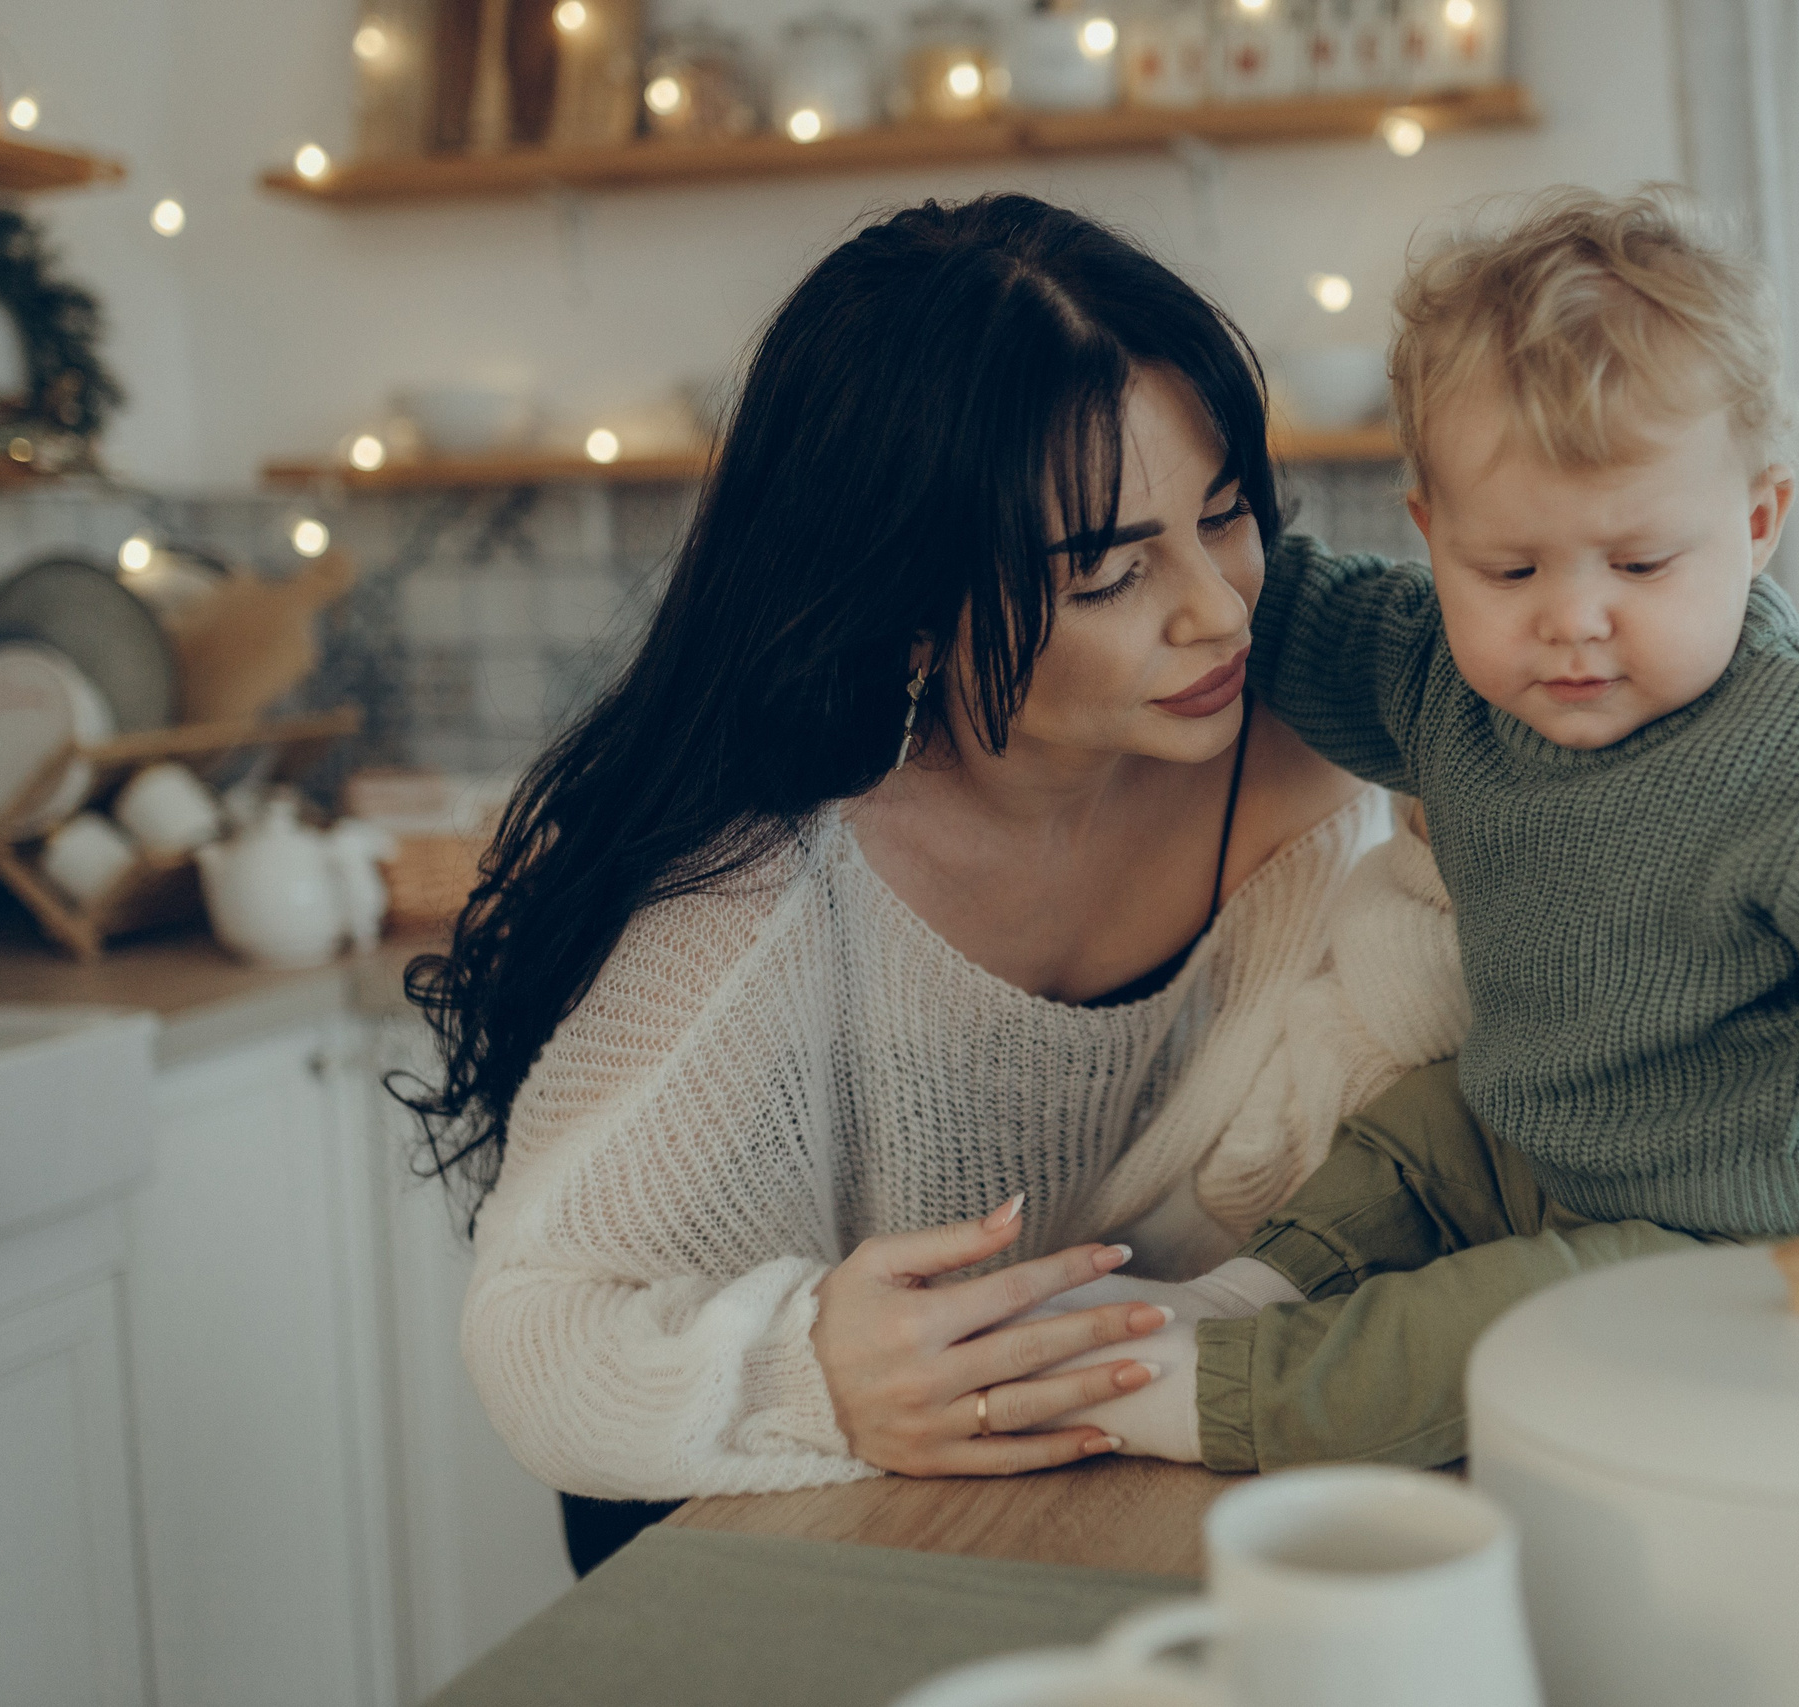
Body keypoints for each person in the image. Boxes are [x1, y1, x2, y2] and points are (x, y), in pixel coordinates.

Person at [396, 195, 1466, 1575]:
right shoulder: (768, 881)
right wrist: (810, 1375)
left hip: (1126, 1474)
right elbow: (536, 1329)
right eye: (1109, 572)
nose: (1217, 608)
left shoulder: (1313, 762)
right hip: (788, 1514)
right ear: (910, 603)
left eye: (1227, 517)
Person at [1033, 185, 1799, 1473]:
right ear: (1433, 536)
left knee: (1491, 1338)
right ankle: (1250, 1289)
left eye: (1643, 565)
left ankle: (1211, 1393)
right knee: (1414, 1133)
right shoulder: (1446, 665)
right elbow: (1273, 607)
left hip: (1748, 1237)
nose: (1574, 620)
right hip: (1538, 1135)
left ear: (1759, 521)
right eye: (1512, 570)